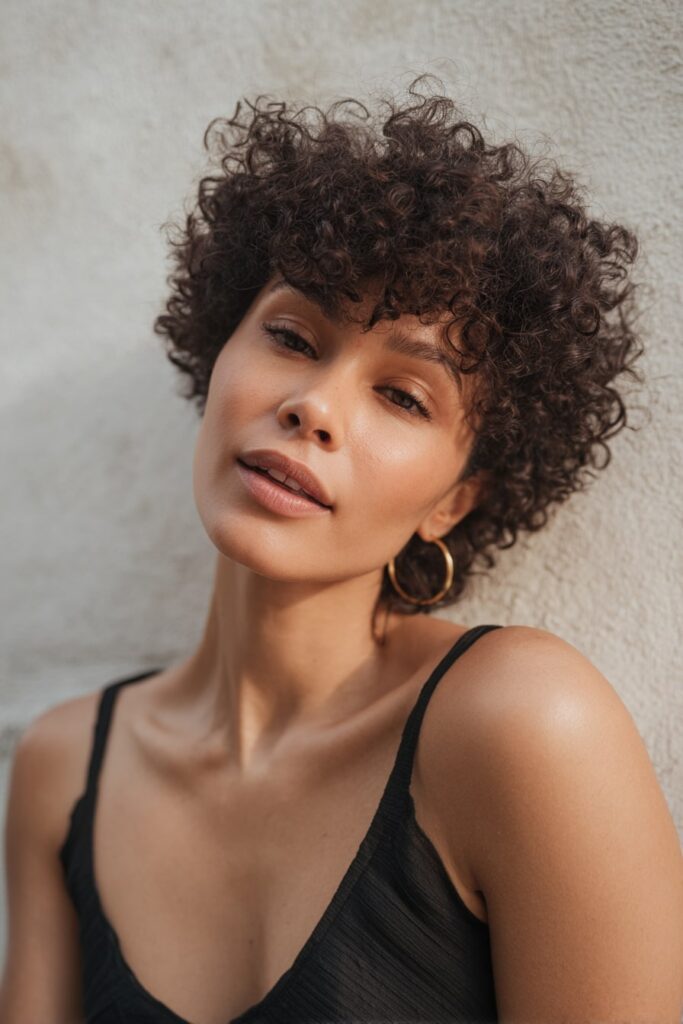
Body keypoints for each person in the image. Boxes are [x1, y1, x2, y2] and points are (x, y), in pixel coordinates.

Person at [2, 74, 682, 1024]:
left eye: (404, 396)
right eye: (291, 335)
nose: (313, 407)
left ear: (452, 501)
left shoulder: (522, 724)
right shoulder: (62, 766)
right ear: (218, 352)